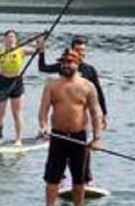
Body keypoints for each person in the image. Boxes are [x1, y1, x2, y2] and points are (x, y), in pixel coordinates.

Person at [38, 49, 103, 206]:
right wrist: (44, 127)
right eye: (63, 62)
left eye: (70, 62)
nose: (66, 65)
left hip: (79, 137)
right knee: (53, 177)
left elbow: (95, 113)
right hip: (58, 136)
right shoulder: (52, 85)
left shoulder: (87, 86)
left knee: (79, 178)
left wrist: (97, 138)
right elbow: (43, 111)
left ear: (77, 64)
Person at [37, 34, 108, 185]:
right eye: (78, 50)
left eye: (83, 51)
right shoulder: (64, 65)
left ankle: (87, 179)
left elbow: (99, 93)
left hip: (80, 122)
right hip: (60, 122)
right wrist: (41, 51)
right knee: (59, 153)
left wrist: (104, 114)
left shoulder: (89, 70)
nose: (81, 53)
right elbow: (43, 68)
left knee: (84, 152)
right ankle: (60, 178)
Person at [0, 29, 35, 145]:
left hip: (16, 82)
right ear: (5, 39)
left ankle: (18, 139)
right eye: (8, 37)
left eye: (13, 37)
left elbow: (38, 51)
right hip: (3, 82)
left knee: (16, 112)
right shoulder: (0, 51)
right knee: (0, 113)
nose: (10, 39)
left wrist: (39, 42)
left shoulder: (22, 50)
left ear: (16, 39)